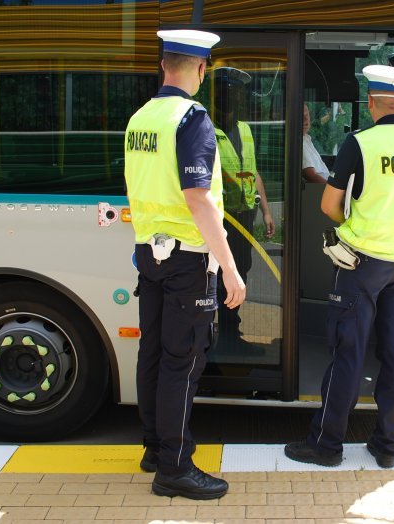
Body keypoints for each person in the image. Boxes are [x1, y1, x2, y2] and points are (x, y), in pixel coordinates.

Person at [284, 65, 394, 469]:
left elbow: (329, 205)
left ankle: (326, 444)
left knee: (348, 352)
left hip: (361, 264)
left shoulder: (360, 143)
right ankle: (389, 446)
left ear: (371, 102)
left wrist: (348, 224)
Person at [124, 29, 245, 500]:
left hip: (148, 255)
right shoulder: (191, 119)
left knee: (153, 353)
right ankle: (174, 468)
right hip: (187, 259)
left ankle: (155, 448)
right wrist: (229, 268)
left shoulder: (140, 119)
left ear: (163, 67)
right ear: (199, 69)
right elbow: (199, 199)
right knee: (183, 360)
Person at [210, 66, 274, 357]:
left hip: (244, 215)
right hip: (220, 218)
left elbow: (253, 171)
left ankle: (230, 332)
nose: (233, 98)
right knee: (220, 275)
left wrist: (266, 210)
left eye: (237, 94)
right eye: (228, 92)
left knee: (241, 273)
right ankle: (222, 336)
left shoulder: (245, 130)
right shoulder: (206, 129)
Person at [301, 103, 330, 183]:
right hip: (317, 190)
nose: (306, 120)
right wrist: (331, 189)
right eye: (301, 116)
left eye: (307, 115)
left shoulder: (306, 139)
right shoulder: (298, 144)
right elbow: (310, 175)